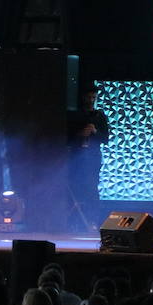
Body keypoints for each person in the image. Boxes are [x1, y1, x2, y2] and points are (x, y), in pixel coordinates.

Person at [68, 86, 110, 229]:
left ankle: (93, 220)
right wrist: (80, 134)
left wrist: (95, 131)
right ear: (83, 98)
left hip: (93, 156)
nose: (91, 100)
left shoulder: (100, 117)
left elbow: (106, 139)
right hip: (76, 155)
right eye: (89, 97)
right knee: (76, 186)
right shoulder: (75, 116)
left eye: (94, 98)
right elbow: (65, 138)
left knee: (92, 187)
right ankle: (76, 221)